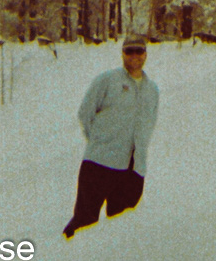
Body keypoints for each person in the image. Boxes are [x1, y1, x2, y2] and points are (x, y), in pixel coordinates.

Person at [63, 33, 159, 239]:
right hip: (100, 164)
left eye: (139, 51)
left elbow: (149, 124)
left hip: (133, 171)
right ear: (122, 54)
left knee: (122, 229)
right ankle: (63, 254)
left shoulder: (152, 90)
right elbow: (85, 113)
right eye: (129, 51)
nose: (134, 55)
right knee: (84, 222)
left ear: (145, 54)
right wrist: (100, 142)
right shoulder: (107, 80)